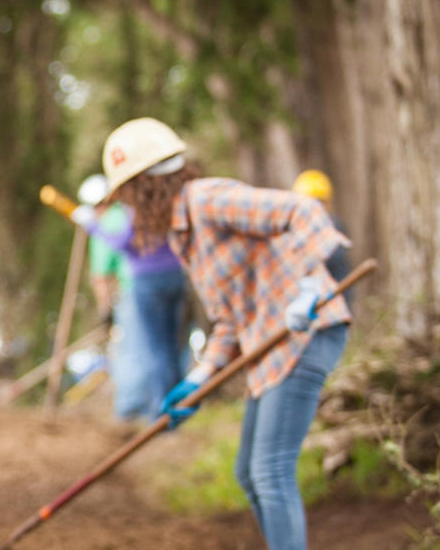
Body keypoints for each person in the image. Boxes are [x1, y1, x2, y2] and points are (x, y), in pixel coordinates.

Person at [101, 118, 352, 549]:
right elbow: (230, 321)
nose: (127, 209)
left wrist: (311, 285)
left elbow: (302, 210)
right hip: (269, 348)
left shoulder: (209, 200)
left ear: (145, 186)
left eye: (126, 195)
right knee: (249, 474)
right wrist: (196, 381)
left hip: (307, 334)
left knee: (270, 470)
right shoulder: (185, 237)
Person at [72, 173, 190, 422]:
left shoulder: (126, 214)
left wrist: (93, 227)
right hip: (176, 276)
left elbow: (109, 263)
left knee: (152, 350)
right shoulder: (163, 203)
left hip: (144, 284)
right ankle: (177, 408)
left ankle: (158, 413)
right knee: (173, 346)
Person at [291, 170, 353, 306]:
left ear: (328, 204)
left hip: (333, 304)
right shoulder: (292, 232)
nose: (314, 208)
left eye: (319, 202)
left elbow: (333, 261)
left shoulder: (334, 229)